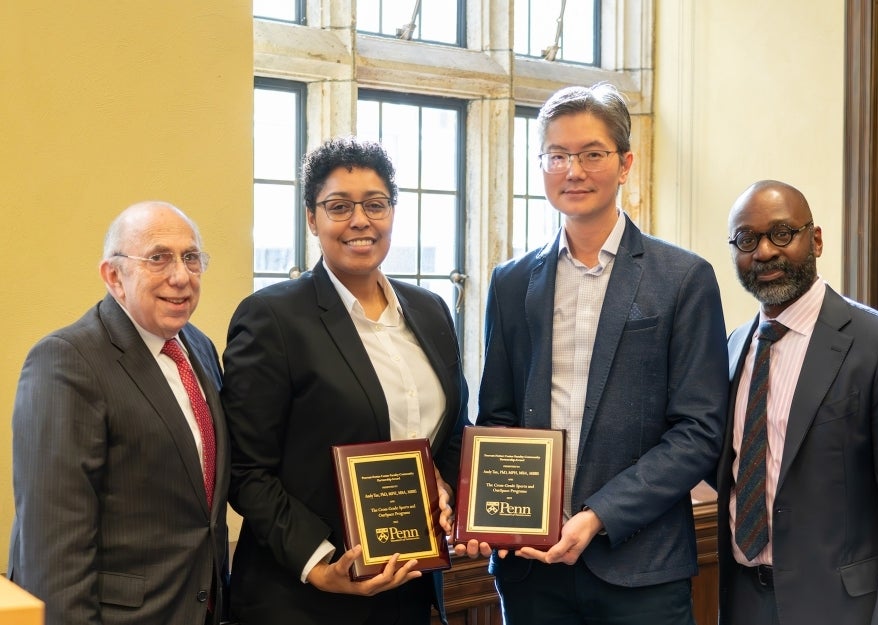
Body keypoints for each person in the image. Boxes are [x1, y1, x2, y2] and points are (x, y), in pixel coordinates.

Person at [465, 83, 729, 624]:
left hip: (641, 568)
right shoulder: (513, 282)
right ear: (541, 166)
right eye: (556, 156)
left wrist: (597, 516)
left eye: (591, 154)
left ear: (625, 163)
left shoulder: (682, 278)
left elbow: (699, 431)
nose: (573, 170)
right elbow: (499, 417)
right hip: (532, 568)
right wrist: (494, 515)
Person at [222, 137, 469, 625]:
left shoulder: (430, 310)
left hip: (409, 591)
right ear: (312, 219)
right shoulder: (272, 317)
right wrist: (319, 564)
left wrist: (443, 488)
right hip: (303, 598)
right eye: (339, 207)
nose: (361, 220)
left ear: (393, 212)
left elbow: (453, 433)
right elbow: (247, 471)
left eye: (375, 205)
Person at [718, 179, 878, 625]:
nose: (764, 252)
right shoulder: (733, 346)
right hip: (743, 602)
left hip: (842, 610)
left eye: (782, 233)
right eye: (747, 239)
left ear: (815, 239)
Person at [8, 201, 230, 625]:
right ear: (114, 276)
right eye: (158, 258)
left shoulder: (198, 347)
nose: (180, 276)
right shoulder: (66, 361)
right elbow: (52, 545)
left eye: (191, 258)